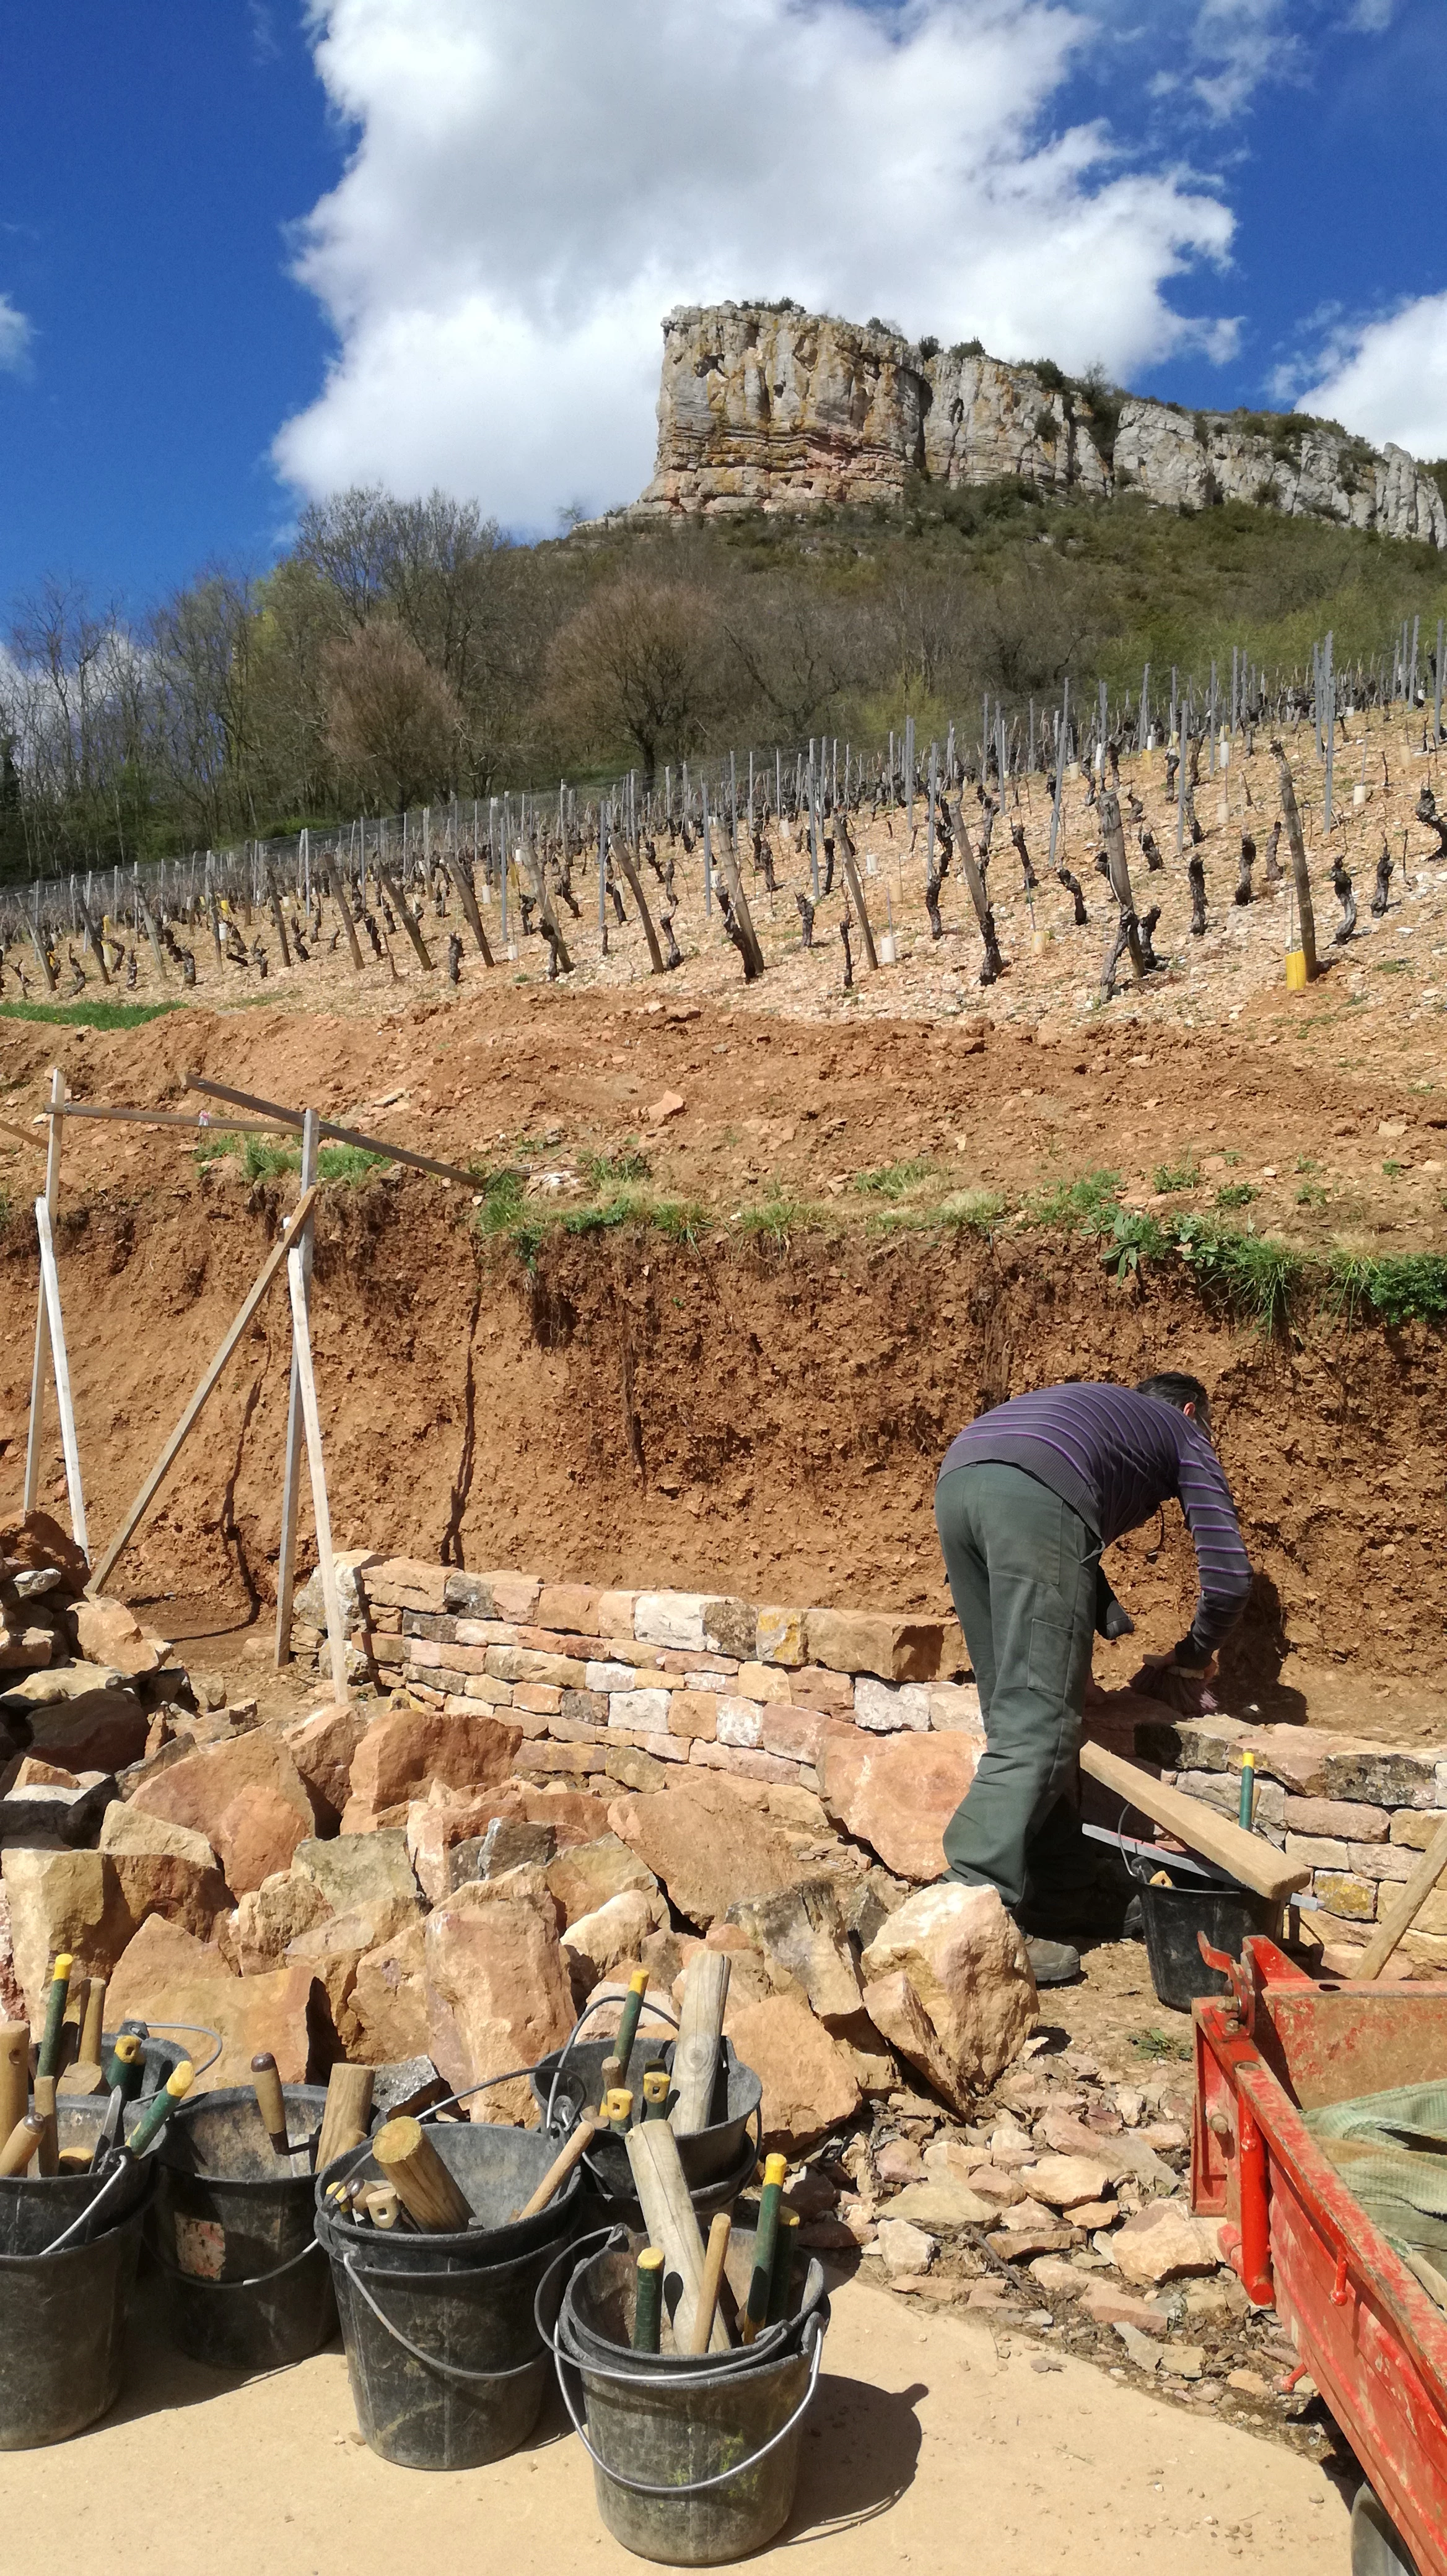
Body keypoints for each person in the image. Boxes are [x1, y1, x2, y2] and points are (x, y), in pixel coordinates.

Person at [933, 1373, 1251, 1985]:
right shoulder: (1184, 1432)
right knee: (1041, 1726)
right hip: (1030, 1494)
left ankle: (1060, 1893)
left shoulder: (1101, 1414)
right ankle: (963, 1918)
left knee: (1013, 1715)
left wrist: (1100, 1614)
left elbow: (1059, 1524)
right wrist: (1191, 1655)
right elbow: (1230, 1577)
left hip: (961, 1477)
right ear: (1189, 1409)